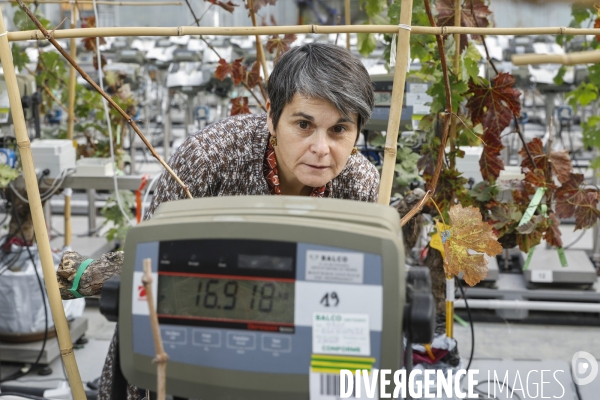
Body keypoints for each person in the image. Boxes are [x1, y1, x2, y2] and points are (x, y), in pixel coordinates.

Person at [98, 42, 379, 400]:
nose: (321, 148)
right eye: (304, 124)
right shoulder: (210, 160)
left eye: (339, 130)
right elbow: (150, 283)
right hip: (194, 353)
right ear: (271, 115)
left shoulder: (359, 185)